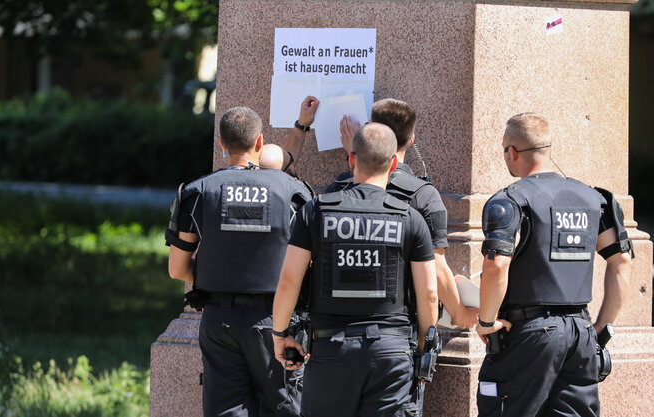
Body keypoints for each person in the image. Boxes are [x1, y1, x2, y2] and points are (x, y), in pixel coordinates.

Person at [271, 123, 439, 417]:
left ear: (351, 159)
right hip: (391, 353)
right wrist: (424, 347)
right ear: (395, 163)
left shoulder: (315, 211)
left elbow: (288, 281)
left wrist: (279, 334)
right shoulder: (410, 218)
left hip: (331, 350)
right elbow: (428, 294)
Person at [165, 98, 318, 417]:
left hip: (218, 321)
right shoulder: (293, 193)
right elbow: (310, 264)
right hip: (275, 321)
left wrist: (220, 275)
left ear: (221, 143)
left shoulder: (197, 192)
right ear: (260, 142)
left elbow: (178, 268)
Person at [475, 113, 633, 417]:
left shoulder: (511, 201)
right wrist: (600, 326)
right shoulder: (593, 199)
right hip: (581, 333)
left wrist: (486, 321)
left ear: (511, 152)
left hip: (530, 333)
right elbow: (621, 260)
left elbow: (497, 265)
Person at [327, 98, 478, 330]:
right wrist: (459, 314)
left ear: (370, 129)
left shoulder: (338, 188)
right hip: (396, 327)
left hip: (337, 323)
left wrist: (355, 156)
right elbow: (436, 268)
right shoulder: (424, 195)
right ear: (411, 140)